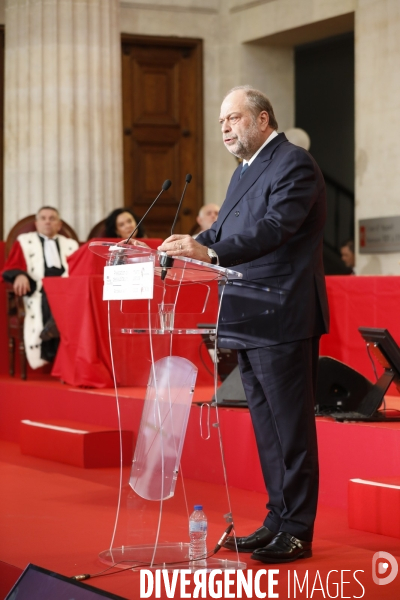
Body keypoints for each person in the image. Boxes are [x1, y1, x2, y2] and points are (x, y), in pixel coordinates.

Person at [156, 85, 329, 563]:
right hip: (247, 313)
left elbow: (276, 229)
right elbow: (225, 231)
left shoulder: (293, 163)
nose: (226, 128)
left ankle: (298, 529)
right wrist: (186, 243)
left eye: (233, 118)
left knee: (290, 429)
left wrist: (208, 251)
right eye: (222, 122)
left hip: (282, 312)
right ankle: (278, 518)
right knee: (267, 429)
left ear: (263, 119)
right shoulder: (243, 174)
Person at [1, 206, 79, 369]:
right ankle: (51, 349)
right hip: (39, 288)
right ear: (36, 224)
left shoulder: (70, 244)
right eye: (43, 218)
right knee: (49, 297)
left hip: (66, 288)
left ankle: (60, 345)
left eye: (52, 218)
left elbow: (80, 269)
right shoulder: (25, 242)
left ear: (59, 225)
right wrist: (20, 275)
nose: (47, 222)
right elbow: (12, 266)